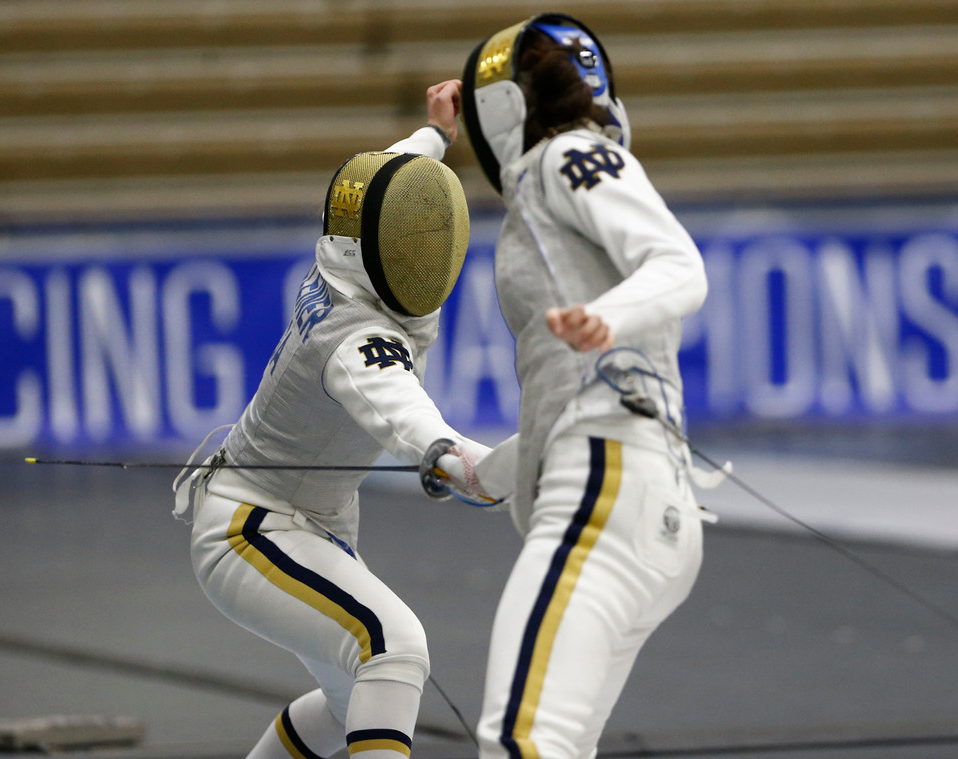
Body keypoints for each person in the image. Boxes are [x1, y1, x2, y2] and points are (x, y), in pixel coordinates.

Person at [175, 79, 492, 759]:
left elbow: (385, 185)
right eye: (414, 236)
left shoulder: (343, 250)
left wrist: (436, 134)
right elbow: (405, 414)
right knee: (393, 646)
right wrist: (459, 459)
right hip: (253, 529)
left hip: (312, 522)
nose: (428, 244)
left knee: (351, 702)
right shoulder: (357, 340)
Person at [456, 14, 713, 758]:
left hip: (606, 489)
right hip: (644, 502)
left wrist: (605, 318)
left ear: (502, 110)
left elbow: (679, 265)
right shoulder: (562, 179)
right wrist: (481, 472)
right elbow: (565, 399)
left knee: (522, 740)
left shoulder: (565, 156)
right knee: (555, 745)